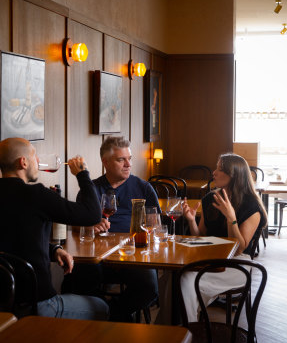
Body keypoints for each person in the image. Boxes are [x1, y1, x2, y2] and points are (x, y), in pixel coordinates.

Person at [0, 137, 109, 320]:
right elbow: (92, 215)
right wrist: (82, 174)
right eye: (34, 156)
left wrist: (54, 250)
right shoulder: (36, 195)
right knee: (102, 307)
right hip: (37, 305)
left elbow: (9, 240)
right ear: (23, 162)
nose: (37, 161)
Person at [65, 136, 160, 322]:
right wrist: (90, 226)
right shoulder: (91, 189)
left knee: (149, 287)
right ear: (105, 162)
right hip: (98, 255)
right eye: (121, 159)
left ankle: (113, 315)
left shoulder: (144, 188)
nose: (128, 164)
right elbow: (76, 225)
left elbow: (155, 227)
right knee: (74, 281)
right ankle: (100, 316)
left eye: (129, 159)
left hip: (134, 255)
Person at [180, 153, 268, 322]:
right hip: (210, 258)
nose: (214, 173)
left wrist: (231, 218)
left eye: (220, 169)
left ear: (233, 175)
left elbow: (240, 248)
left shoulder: (251, 206)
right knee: (174, 277)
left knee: (186, 279)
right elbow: (201, 238)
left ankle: (188, 330)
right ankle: (174, 329)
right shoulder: (209, 199)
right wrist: (191, 221)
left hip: (238, 264)